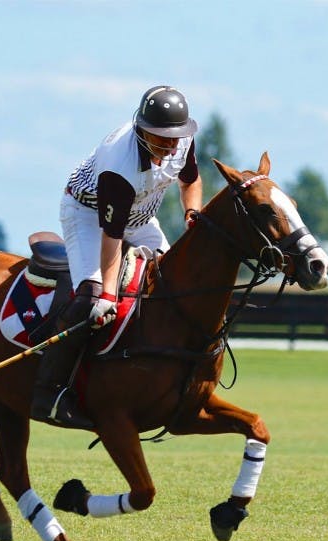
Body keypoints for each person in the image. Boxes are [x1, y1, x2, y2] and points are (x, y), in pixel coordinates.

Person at [31, 85, 203, 428]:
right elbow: (112, 237)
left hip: (139, 215)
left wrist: (192, 214)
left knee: (172, 287)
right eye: (161, 138)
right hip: (88, 215)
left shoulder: (181, 141)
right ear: (141, 130)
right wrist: (108, 295)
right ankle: (49, 391)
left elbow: (190, 181)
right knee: (91, 297)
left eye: (174, 137)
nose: (170, 146)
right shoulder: (118, 164)